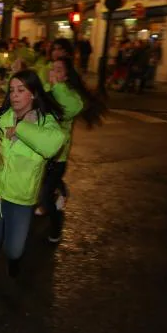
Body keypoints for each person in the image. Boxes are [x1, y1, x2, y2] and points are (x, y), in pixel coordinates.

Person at [0, 70, 66, 300]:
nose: (14, 95)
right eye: (12, 90)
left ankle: (14, 259)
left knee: (14, 249)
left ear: (34, 94)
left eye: (21, 90)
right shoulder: (1, 117)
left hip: (21, 197)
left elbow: (53, 145)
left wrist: (20, 129)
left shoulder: (47, 124)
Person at [42, 56, 105, 242]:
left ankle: (56, 227)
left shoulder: (69, 94)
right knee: (39, 186)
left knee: (45, 197)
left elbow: (73, 107)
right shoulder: (49, 90)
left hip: (58, 157)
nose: (54, 73)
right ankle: (60, 191)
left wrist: (57, 85)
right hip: (44, 154)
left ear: (67, 75)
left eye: (59, 70)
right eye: (52, 68)